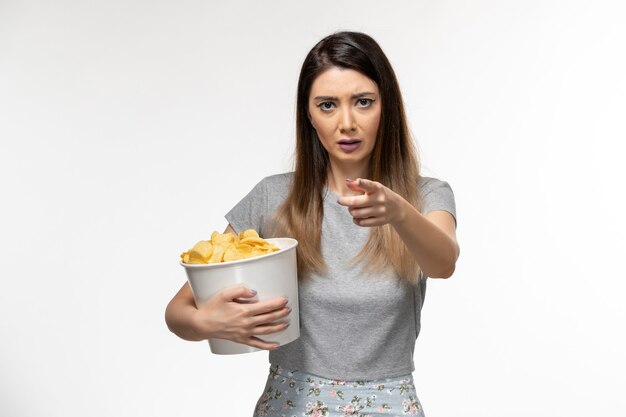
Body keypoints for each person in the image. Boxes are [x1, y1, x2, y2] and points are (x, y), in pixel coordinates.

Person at [165, 31, 459, 416]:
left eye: (364, 102)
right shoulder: (274, 198)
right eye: (327, 105)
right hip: (291, 405)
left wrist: (399, 213)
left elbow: (444, 262)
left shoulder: (426, 196)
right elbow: (178, 311)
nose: (347, 122)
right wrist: (207, 323)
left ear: (387, 107)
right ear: (308, 114)